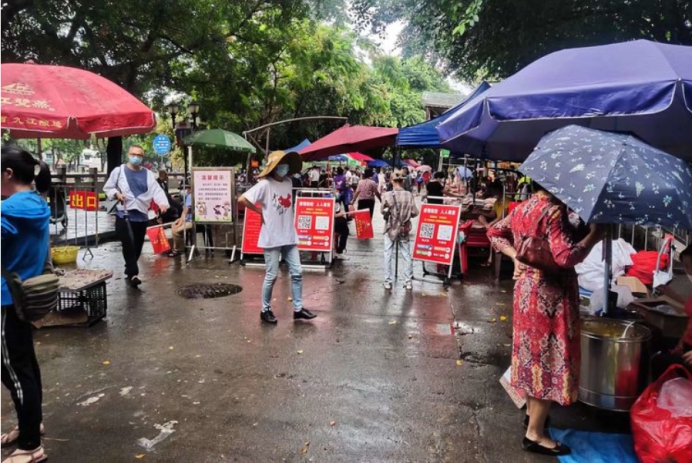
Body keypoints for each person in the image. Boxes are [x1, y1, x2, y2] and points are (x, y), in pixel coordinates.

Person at [487, 187, 605, 457]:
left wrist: (514, 256)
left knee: (532, 356)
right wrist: (594, 237)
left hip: (525, 291)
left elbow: (494, 232)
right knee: (547, 360)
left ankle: (533, 417)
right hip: (550, 296)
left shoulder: (524, 207)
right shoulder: (553, 211)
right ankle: (535, 435)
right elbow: (565, 257)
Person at [1, 146, 52, 463]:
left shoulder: (8, 210)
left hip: (7, 297)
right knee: (24, 365)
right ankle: (29, 423)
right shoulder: (35, 202)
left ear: (8, 173)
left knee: (15, 370)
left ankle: (31, 445)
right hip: (23, 296)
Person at [238, 151, 316, 324]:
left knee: (297, 272)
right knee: (272, 275)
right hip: (272, 236)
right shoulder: (264, 185)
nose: (284, 167)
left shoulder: (288, 182)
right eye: (281, 164)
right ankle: (265, 310)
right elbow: (242, 199)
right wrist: (259, 211)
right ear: (274, 167)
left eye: (286, 164)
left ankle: (298, 309)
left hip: (289, 235)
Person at [104, 145, 169, 288]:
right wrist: (117, 194)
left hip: (141, 215)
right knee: (128, 242)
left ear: (142, 157)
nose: (136, 157)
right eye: (133, 154)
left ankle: (129, 268)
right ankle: (134, 273)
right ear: (128, 154)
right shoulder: (119, 171)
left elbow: (156, 190)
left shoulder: (147, 174)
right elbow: (108, 187)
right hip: (124, 214)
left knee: (137, 245)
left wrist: (162, 203)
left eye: (139, 155)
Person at [653, 245, 692, 378]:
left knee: (658, 362)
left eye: (688, 266)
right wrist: (670, 293)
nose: (687, 271)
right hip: (686, 347)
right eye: (685, 266)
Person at [381, 170, 419, 290]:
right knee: (406, 255)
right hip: (404, 228)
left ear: (392, 181)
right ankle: (408, 282)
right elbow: (415, 212)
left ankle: (387, 281)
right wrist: (406, 215)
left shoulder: (387, 195)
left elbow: (382, 211)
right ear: (402, 181)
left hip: (390, 228)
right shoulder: (409, 195)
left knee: (388, 253)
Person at [478, 184, 509, 267]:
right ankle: (487, 226)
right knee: (480, 217)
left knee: (493, 237)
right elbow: (492, 214)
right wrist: (480, 212)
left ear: (498, 191)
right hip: (495, 223)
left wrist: (491, 224)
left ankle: (490, 259)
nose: (492, 192)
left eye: (494, 190)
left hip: (503, 223)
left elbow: (502, 216)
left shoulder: (506, 200)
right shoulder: (497, 201)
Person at [169, 183, 192, 258]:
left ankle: (177, 249)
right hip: (188, 219)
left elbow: (185, 211)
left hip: (191, 221)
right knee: (174, 225)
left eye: (188, 188)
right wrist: (179, 220)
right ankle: (176, 247)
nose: (186, 190)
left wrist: (179, 224)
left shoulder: (190, 196)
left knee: (176, 230)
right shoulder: (188, 196)